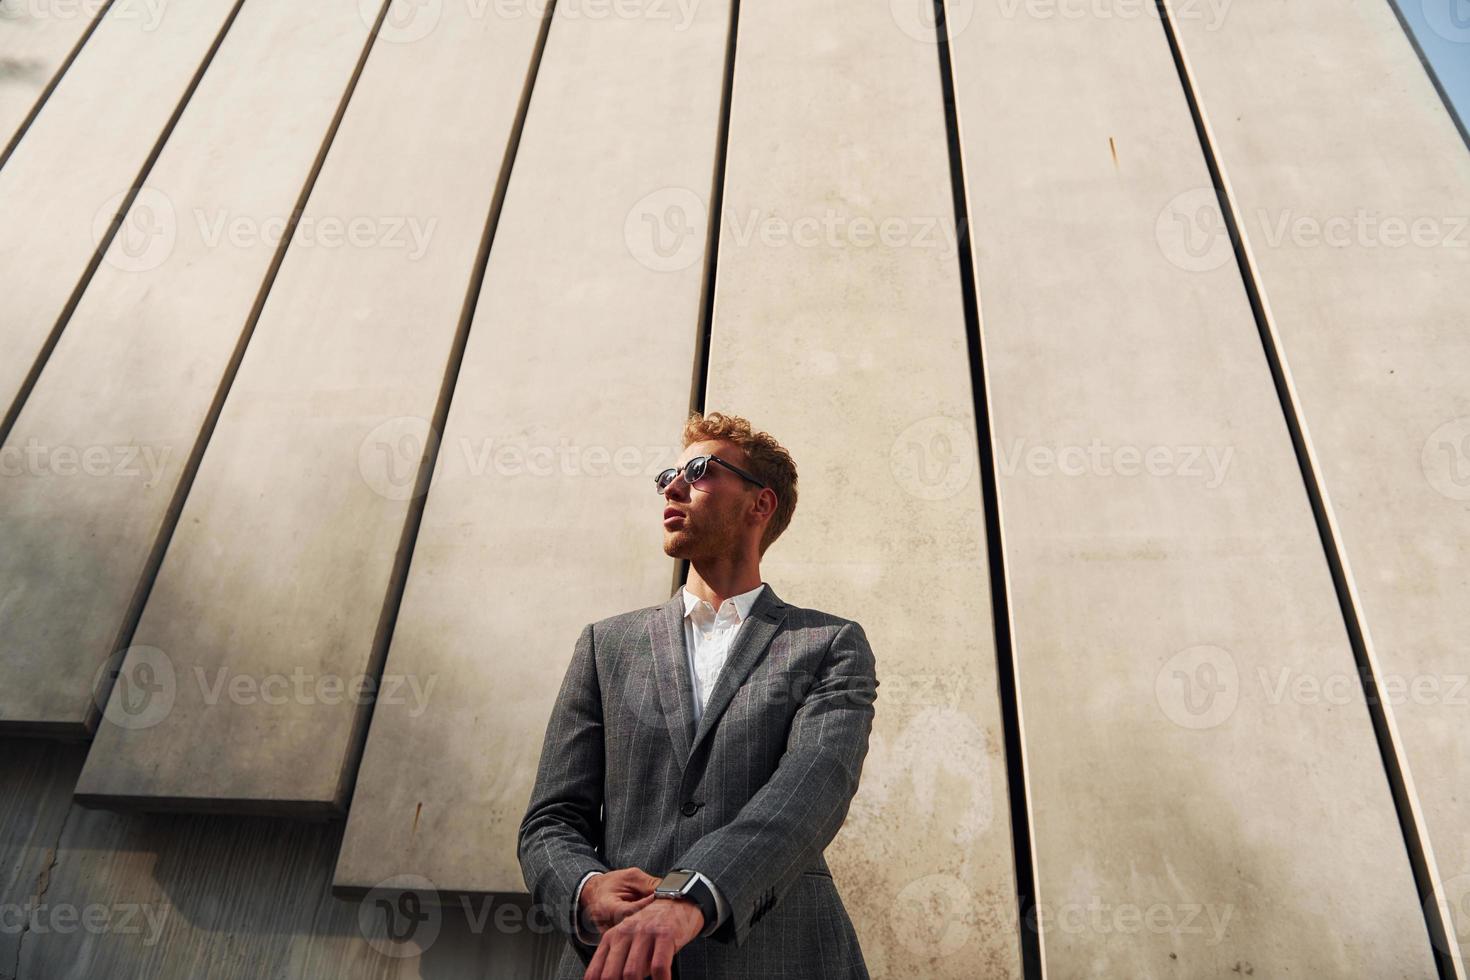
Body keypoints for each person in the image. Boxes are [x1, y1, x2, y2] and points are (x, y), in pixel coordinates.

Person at [518, 410, 878, 980]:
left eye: (701, 471)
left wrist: (693, 895)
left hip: (780, 955)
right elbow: (552, 819)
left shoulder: (827, 644)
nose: (674, 486)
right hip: (616, 961)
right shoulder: (604, 645)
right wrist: (586, 888)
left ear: (760, 505)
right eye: (667, 476)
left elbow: (814, 789)